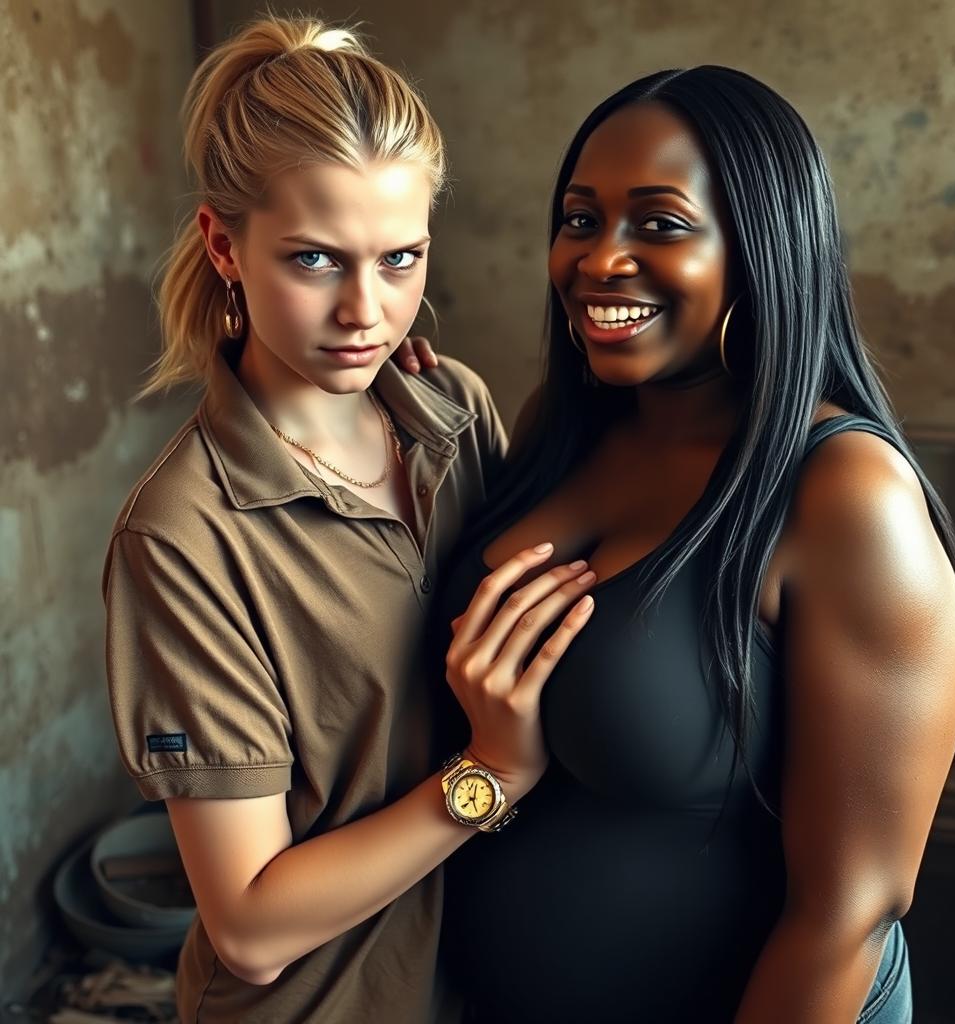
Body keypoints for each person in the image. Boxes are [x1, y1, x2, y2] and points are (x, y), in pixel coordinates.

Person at [434, 67, 955, 1023]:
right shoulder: (563, 423)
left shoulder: (843, 494)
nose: (601, 258)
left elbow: (848, 914)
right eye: (580, 219)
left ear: (761, 249)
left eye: (660, 223)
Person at [101, 15, 597, 1023]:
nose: (366, 311)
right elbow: (249, 927)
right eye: (316, 261)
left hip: (490, 983)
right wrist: (489, 776)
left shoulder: (453, 410)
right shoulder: (184, 537)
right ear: (224, 245)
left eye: (400, 258)